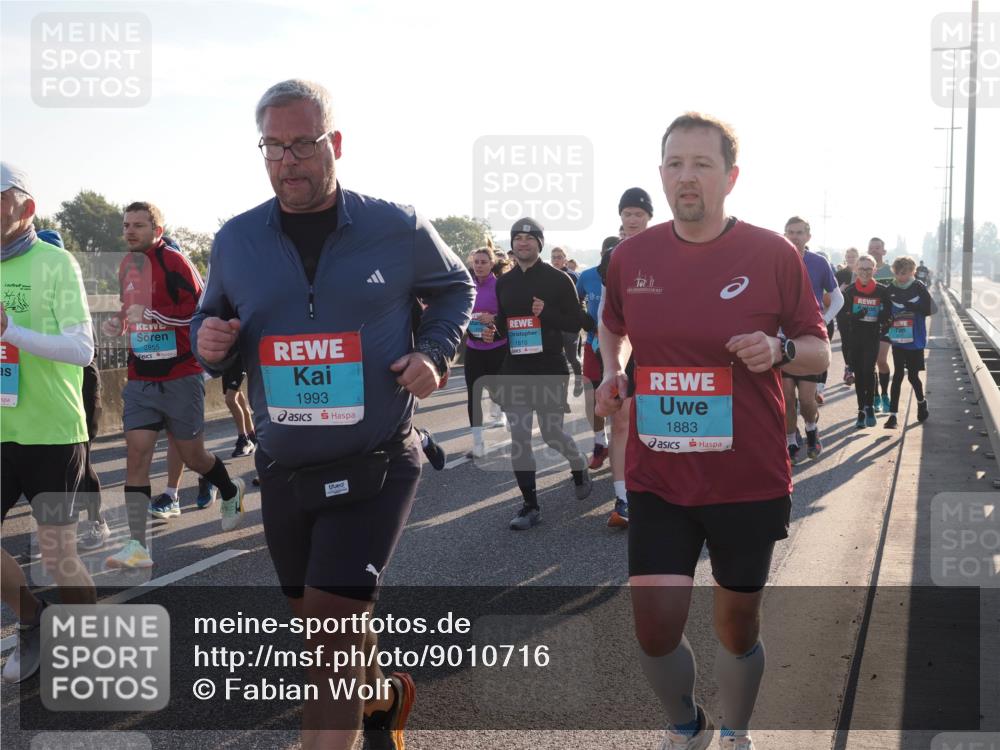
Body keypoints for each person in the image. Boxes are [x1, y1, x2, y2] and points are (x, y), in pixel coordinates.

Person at [191, 79, 474, 750]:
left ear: (334, 144)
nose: (288, 160)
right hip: (284, 467)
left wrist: (434, 352)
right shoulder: (235, 239)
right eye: (274, 146)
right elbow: (213, 316)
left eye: (302, 143)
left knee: (326, 635)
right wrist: (208, 340)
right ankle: (383, 693)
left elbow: (456, 287)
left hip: (374, 459)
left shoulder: (395, 226)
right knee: (321, 621)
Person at [597, 114, 829, 750]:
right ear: (662, 175)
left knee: (737, 627)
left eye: (701, 164)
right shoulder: (631, 258)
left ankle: (735, 729)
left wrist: (778, 349)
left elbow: (818, 351)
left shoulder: (773, 254)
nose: (686, 177)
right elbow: (612, 325)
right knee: (654, 628)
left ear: (731, 176)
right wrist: (613, 373)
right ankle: (686, 728)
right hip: (659, 474)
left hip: (745, 477)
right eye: (674, 164)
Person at [101, 202, 245, 568]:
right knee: (137, 455)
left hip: (180, 374)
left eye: (138, 225)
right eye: (126, 225)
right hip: (141, 376)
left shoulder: (176, 264)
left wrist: (156, 316)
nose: (129, 231)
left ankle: (230, 488)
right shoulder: (125, 265)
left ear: (157, 231)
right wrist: (119, 323)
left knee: (194, 456)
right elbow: (129, 308)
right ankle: (137, 547)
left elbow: (202, 311)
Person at [1, 162, 98, 683]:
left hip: (52, 432)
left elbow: (82, 350)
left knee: (59, 555)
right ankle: (34, 620)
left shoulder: (55, 263)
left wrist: (11, 328)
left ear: (26, 208)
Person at [483, 217, 594, 530]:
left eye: (529, 239)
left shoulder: (558, 280)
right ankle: (530, 506)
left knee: (551, 433)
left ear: (539, 244)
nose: (523, 243)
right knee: (519, 437)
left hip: (549, 368)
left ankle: (577, 463)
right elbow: (504, 322)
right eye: (517, 238)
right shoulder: (504, 281)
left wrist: (547, 313)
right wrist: (491, 329)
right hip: (515, 368)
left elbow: (578, 323)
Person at [36, 228, 112, 551]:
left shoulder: (67, 290)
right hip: (44, 391)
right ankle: (53, 533)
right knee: (42, 466)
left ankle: (97, 521)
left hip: (81, 385)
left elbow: (83, 352)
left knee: (80, 460)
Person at [604, 187, 655, 527]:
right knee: (620, 421)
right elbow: (607, 312)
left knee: (656, 423)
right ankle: (622, 499)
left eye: (638, 214)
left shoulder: (666, 249)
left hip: (661, 352)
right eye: (627, 214)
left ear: (649, 217)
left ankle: (656, 491)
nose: (633, 219)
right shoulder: (616, 257)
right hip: (625, 349)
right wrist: (612, 362)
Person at [781, 217, 842, 462]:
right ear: (784, 234)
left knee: (806, 400)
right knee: (786, 398)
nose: (794, 236)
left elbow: (838, 299)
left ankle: (811, 430)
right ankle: (790, 440)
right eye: (790, 232)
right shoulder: (775, 258)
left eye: (799, 232)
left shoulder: (819, 262)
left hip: (810, 339)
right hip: (782, 337)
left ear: (808, 236)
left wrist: (823, 320)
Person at [577, 236, 618, 474]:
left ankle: (622, 444)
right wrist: (586, 321)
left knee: (620, 401)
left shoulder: (628, 274)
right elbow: (574, 301)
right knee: (592, 398)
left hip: (624, 345)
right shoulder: (588, 275)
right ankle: (599, 443)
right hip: (593, 344)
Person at [465, 243, 508, 458]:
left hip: (497, 347)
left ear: (492, 264)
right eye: (476, 262)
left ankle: (506, 414)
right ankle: (478, 443)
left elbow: (509, 314)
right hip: (473, 347)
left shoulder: (500, 286)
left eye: (483, 262)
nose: (479, 266)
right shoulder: (467, 286)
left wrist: (493, 318)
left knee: (498, 392)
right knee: (473, 395)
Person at [884, 256, 935, 428]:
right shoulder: (890, 288)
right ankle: (892, 416)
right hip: (898, 339)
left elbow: (930, 309)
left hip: (916, 340)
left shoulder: (919, 287)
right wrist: (888, 319)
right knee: (897, 376)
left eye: (904, 273)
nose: (900, 277)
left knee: (913, 377)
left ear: (912, 272)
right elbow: (885, 311)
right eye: (897, 273)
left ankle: (921, 403)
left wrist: (915, 308)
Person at [842, 254, 892, 429]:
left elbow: (889, 313)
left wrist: (883, 319)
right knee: (859, 375)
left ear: (874, 270)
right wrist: (856, 316)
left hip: (872, 337)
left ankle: (869, 406)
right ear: (856, 269)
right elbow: (843, 317)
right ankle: (861, 410)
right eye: (861, 268)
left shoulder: (882, 290)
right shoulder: (849, 291)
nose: (864, 272)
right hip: (854, 339)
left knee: (868, 371)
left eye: (868, 269)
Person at [549, 246, 583, 394]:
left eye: (559, 257)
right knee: (556, 359)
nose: (556, 260)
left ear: (565, 259)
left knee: (572, 357)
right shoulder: (547, 275)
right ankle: (561, 393)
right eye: (553, 257)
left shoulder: (573, 276)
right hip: (553, 324)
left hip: (570, 324)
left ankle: (579, 379)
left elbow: (580, 300)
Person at [868, 237, 894, 412]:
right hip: (866, 324)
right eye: (871, 248)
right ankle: (875, 395)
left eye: (878, 248)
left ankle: (885, 394)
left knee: (881, 360)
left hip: (886, 322)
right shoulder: (862, 270)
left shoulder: (891, 271)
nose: (874, 251)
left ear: (884, 251)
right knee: (869, 363)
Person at [835, 247, 859, 384]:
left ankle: (856, 367)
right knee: (846, 341)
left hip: (859, 311)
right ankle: (848, 369)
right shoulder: (840, 274)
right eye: (848, 256)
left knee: (857, 340)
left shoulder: (862, 272)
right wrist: (841, 289)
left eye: (853, 256)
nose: (851, 258)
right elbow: (832, 293)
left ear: (858, 257)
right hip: (843, 312)